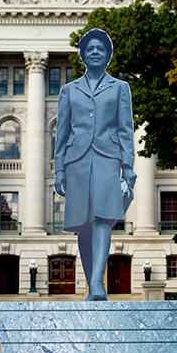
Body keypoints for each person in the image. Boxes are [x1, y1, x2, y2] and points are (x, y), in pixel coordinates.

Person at [54, 28, 136, 300]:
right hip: (76, 161)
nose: (95, 52)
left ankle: (98, 286)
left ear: (108, 55)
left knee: (102, 218)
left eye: (101, 48)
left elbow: (126, 130)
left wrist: (127, 165)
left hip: (107, 158)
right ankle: (92, 283)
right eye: (90, 49)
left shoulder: (120, 88)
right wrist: (59, 169)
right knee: (83, 224)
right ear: (83, 56)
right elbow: (62, 133)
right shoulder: (69, 90)